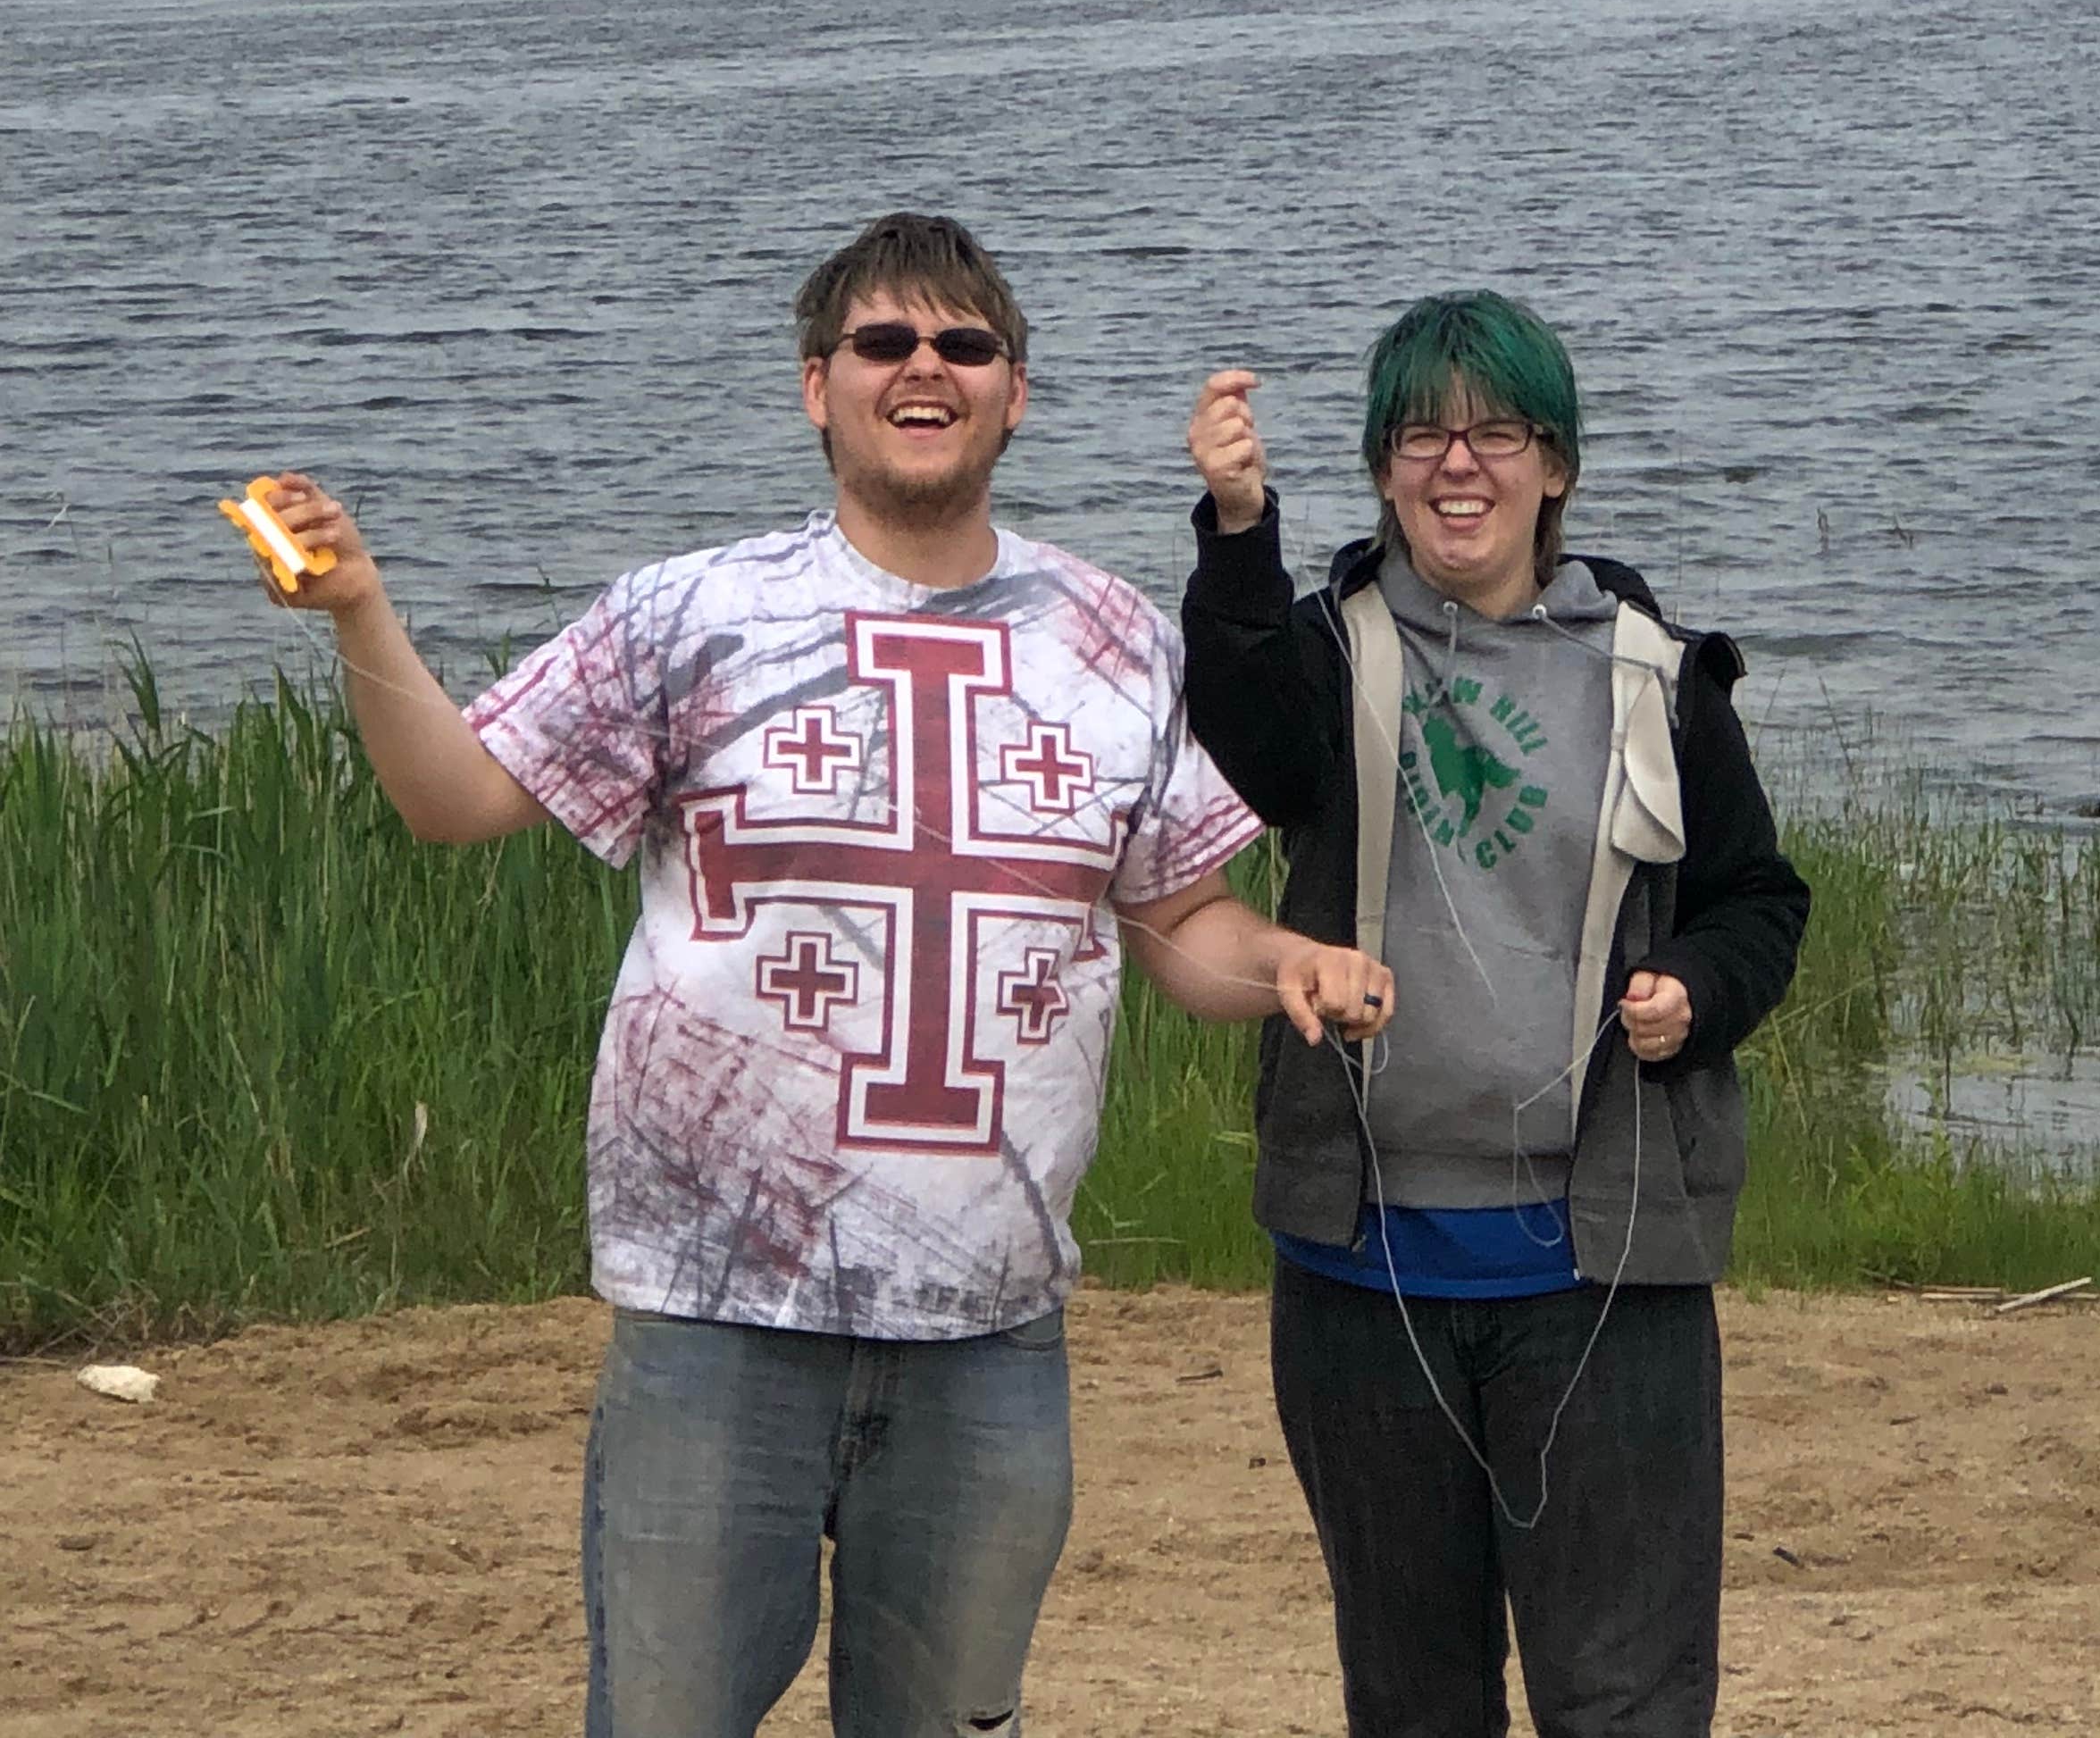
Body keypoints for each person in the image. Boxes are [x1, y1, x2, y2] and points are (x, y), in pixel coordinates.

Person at [255, 207, 1391, 1738]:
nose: (924, 367)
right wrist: (360, 609)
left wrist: (1294, 962)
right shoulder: (691, 615)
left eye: (963, 345)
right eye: (882, 342)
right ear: (817, 386)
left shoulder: (1114, 636)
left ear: (1015, 394)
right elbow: (452, 799)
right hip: (713, 1314)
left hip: (991, 1321)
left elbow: (1187, 926)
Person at [1182, 291, 1809, 1738]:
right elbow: (1242, 733)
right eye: (1420, 435)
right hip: (1363, 1271)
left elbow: (1759, 902)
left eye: (1498, 434)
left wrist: (1699, 992)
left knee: (1625, 1698)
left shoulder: (1656, 674)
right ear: (1381, 468)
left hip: (1606, 1274)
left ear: (1557, 465)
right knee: (1413, 1700)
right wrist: (1237, 529)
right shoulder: (1327, 654)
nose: (1457, 465)